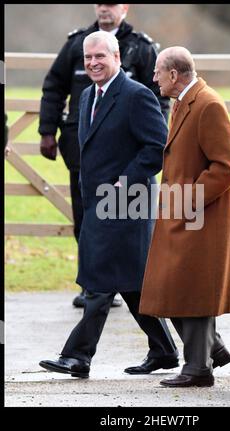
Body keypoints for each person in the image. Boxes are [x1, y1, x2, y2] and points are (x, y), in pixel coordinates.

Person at [39, 31, 178, 378]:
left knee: (100, 282)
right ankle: (166, 351)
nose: (93, 63)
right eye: (88, 58)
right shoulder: (87, 95)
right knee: (130, 283)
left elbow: (156, 147)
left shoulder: (135, 96)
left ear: (116, 56)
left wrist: (125, 182)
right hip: (97, 205)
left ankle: (77, 356)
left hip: (127, 204)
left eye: (100, 56)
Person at [38, 4, 170, 308]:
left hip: (127, 162)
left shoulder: (141, 47)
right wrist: (47, 130)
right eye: (100, 3)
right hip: (83, 154)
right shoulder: (76, 44)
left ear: (124, 8)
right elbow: (54, 86)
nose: (104, 9)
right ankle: (98, 287)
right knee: (86, 219)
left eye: (111, 4)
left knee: (128, 232)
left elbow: (158, 99)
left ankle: (109, 290)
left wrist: (144, 153)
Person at [139, 46, 230, 388]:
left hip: (199, 217)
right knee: (167, 288)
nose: (153, 78)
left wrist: (189, 199)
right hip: (179, 215)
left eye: (157, 72)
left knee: (191, 291)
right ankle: (212, 349)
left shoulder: (208, 104)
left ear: (173, 74)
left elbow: (226, 166)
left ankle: (198, 368)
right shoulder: (183, 101)